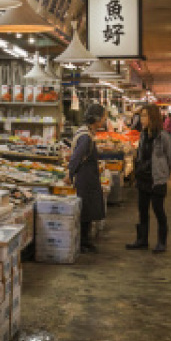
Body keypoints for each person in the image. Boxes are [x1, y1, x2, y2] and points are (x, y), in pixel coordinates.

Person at [127, 104, 171, 253]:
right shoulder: (142, 135)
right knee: (142, 210)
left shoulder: (163, 137)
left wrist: (163, 174)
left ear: (153, 117)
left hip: (157, 180)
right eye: (141, 116)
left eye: (145, 116)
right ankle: (142, 240)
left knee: (158, 210)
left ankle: (161, 242)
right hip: (143, 179)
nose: (142, 119)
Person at [68, 104, 107, 253]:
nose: (104, 120)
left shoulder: (87, 133)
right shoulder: (85, 136)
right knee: (85, 210)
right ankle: (83, 242)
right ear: (96, 119)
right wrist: (70, 174)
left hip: (89, 176)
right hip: (85, 178)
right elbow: (77, 157)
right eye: (103, 117)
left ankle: (86, 240)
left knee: (88, 210)